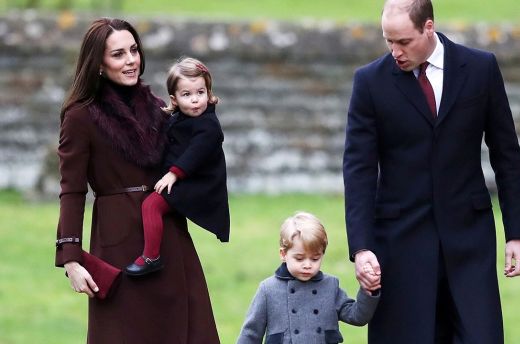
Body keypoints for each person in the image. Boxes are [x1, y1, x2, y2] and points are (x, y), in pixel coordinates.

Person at [342, 0, 520, 342]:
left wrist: (517, 233)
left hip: (469, 240)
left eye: (403, 42)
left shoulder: (480, 68)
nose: (395, 51)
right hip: (399, 245)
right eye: (388, 41)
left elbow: (506, 154)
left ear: (428, 27)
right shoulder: (369, 82)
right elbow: (359, 169)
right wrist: (361, 247)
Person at [55, 18, 220, 343]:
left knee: (187, 330)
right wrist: (71, 258)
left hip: (167, 237)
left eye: (133, 50)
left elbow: (200, 148)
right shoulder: (80, 117)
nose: (131, 60)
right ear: (98, 64)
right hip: (117, 244)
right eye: (118, 54)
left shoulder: (161, 107)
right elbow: (71, 190)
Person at [124, 57, 230, 276]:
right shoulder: (178, 118)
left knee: (152, 205)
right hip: (185, 180)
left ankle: (151, 257)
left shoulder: (208, 125)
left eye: (200, 93)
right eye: (187, 95)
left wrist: (173, 174)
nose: (195, 100)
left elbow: (195, 153)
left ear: (208, 93)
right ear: (174, 99)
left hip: (198, 185)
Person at [237, 212, 380, 344]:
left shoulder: (330, 286)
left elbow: (357, 316)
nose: (307, 265)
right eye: (299, 258)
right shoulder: (268, 289)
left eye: (315, 258)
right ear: (283, 254)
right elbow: (250, 334)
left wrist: (368, 289)